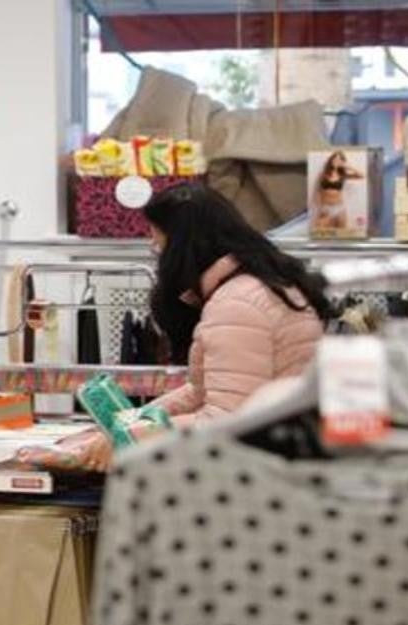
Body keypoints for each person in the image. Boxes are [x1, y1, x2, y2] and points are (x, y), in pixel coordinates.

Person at [53, 183, 331, 470]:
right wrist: (131, 423)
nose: (157, 255)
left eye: (159, 245)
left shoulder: (237, 305)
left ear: (180, 247)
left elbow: (227, 422)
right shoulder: (259, 287)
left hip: (259, 475)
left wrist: (133, 436)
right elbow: (202, 390)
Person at [313, 150, 364, 230]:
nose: (336, 161)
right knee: (321, 232)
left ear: (342, 162)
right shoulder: (323, 174)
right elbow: (318, 191)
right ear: (331, 160)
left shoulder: (342, 175)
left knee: (341, 233)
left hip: (339, 208)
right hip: (326, 208)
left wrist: (347, 167)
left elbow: (361, 176)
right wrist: (320, 207)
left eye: (339, 160)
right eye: (335, 159)